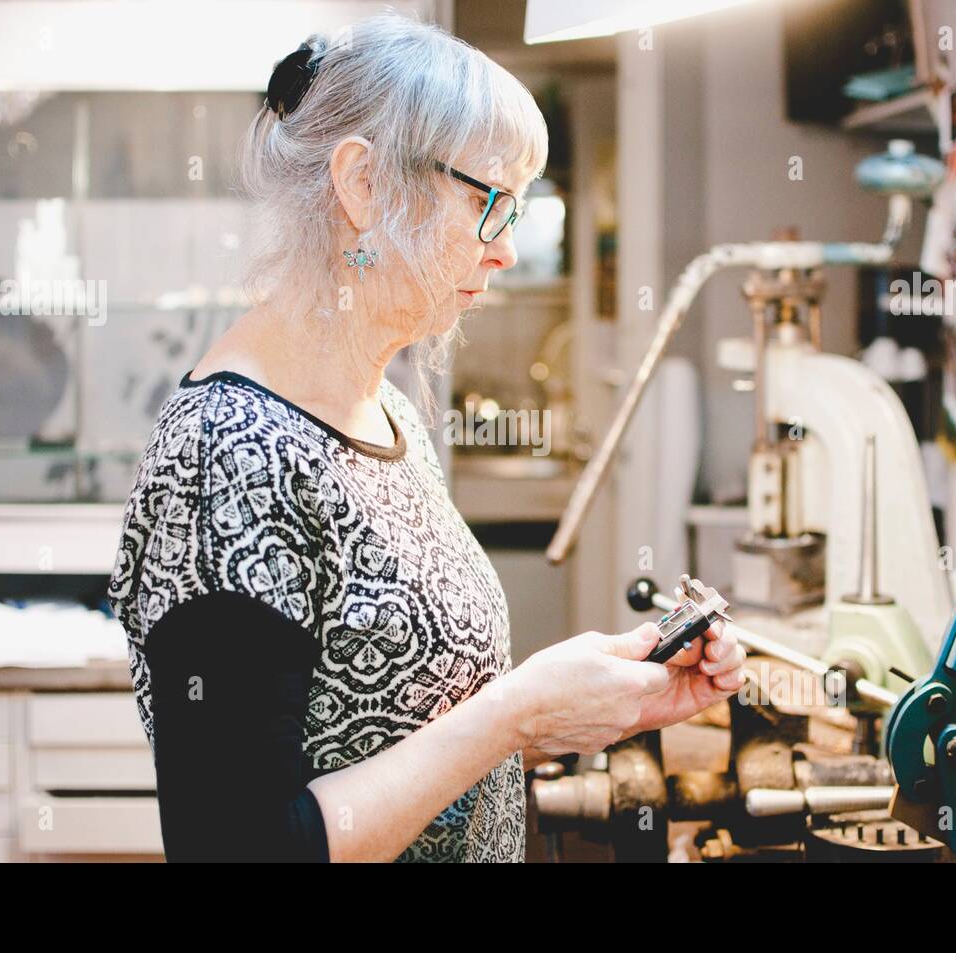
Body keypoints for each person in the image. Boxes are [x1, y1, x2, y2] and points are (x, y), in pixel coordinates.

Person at [107, 11, 745, 863]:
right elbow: (241, 846)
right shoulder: (229, 454)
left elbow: (410, 738)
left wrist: (580, 700)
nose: (509, 249)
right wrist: (512, 713)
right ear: (362, 184)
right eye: (492, 203)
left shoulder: (389, 414)